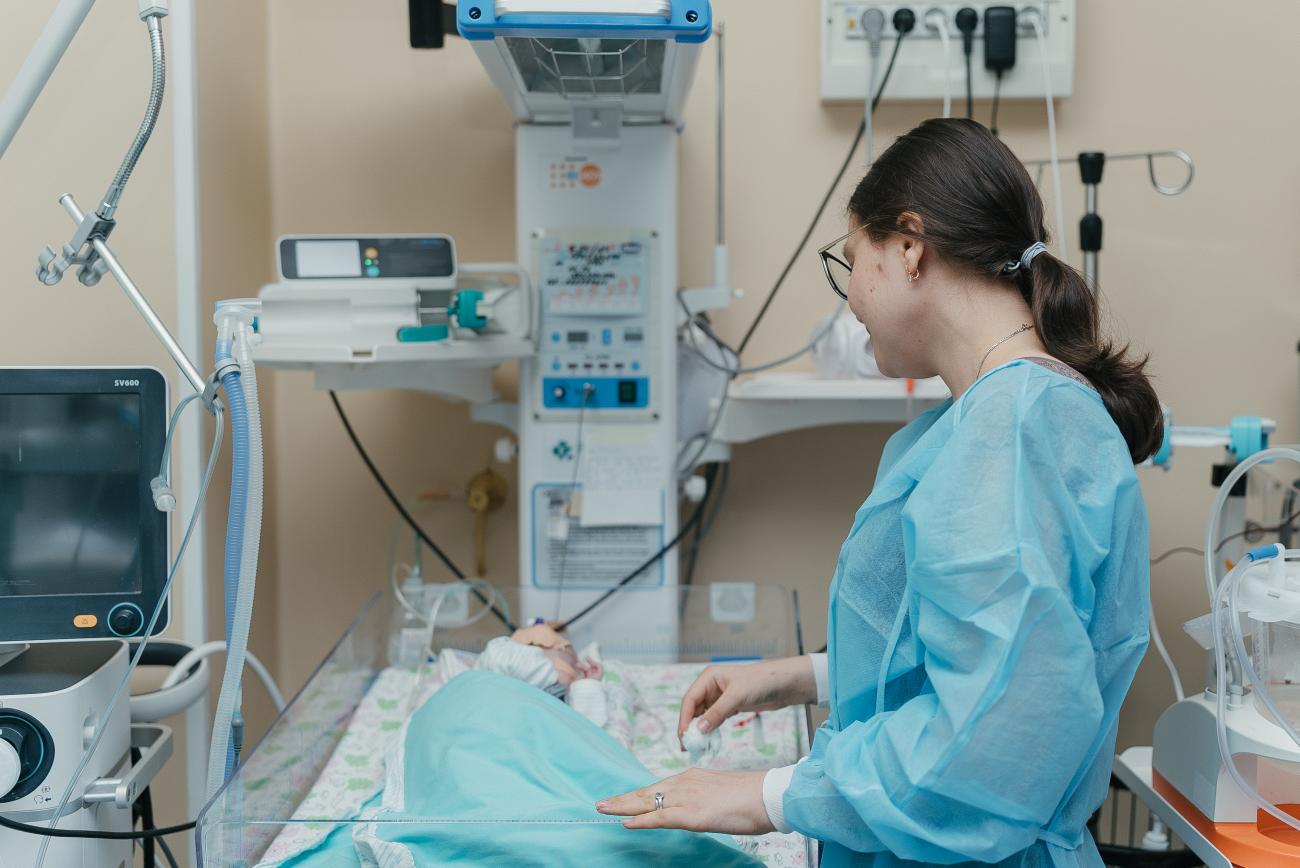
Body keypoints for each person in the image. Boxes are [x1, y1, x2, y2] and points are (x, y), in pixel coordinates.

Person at [597, 117, 1162, 867]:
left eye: (850, 261)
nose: (852, 300)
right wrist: (795, 677)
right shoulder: (996, 421)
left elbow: (994, 743)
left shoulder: (1018, 432)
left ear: (908, 246)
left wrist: (761, 796)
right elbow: (960, 647)